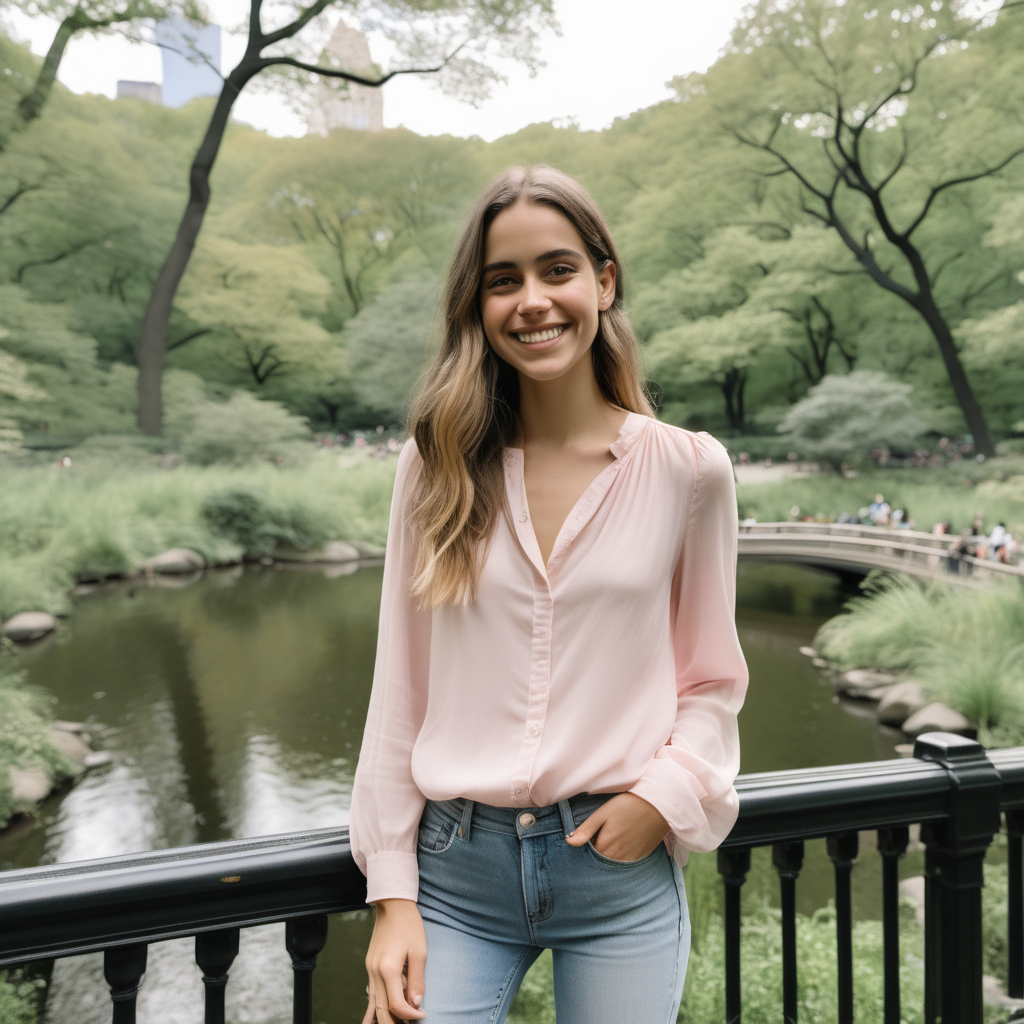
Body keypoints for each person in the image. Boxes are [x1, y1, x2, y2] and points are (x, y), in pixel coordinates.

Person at [348, 165, 748, 1024]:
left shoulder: (689, 470)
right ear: (477, 306)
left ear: (603, 282)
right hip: (454, 869)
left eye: (557, 270)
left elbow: (712, 682)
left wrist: (662, 799)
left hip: (617, 867)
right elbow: (400, 690)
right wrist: (393, 894)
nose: (532, 300)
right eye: (503, 281)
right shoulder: (435, 466)